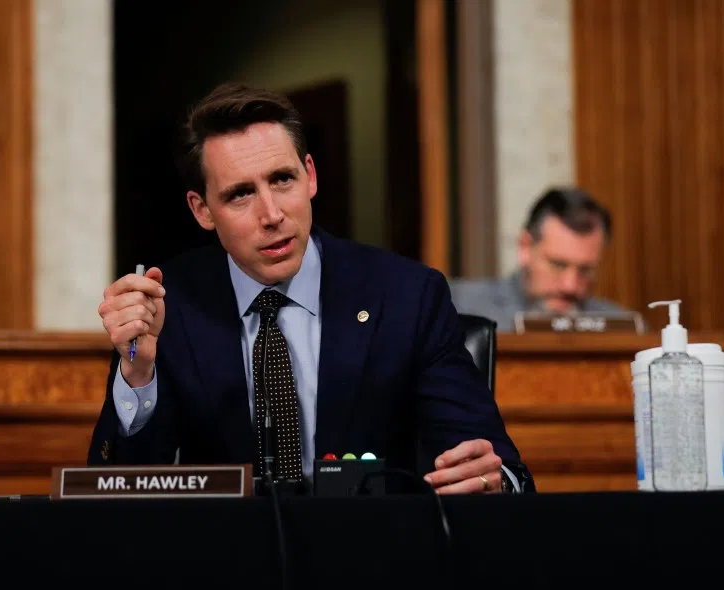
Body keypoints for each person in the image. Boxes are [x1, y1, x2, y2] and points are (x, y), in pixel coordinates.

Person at [89, 82, 534, 494]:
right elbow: (116, 494)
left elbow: (499, 469)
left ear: (311, 176)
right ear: (202, 209)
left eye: (282, 179)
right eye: (240, 194)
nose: (271, 215)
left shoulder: (406, 296)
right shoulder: (169, 307)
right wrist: (138, 373)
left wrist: (493, 481)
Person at [450, 187, 630, 332]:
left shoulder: (622, 328)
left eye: (585, 270)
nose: (570, 286)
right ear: (525, 247)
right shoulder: (455, 308)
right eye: (558, 265)